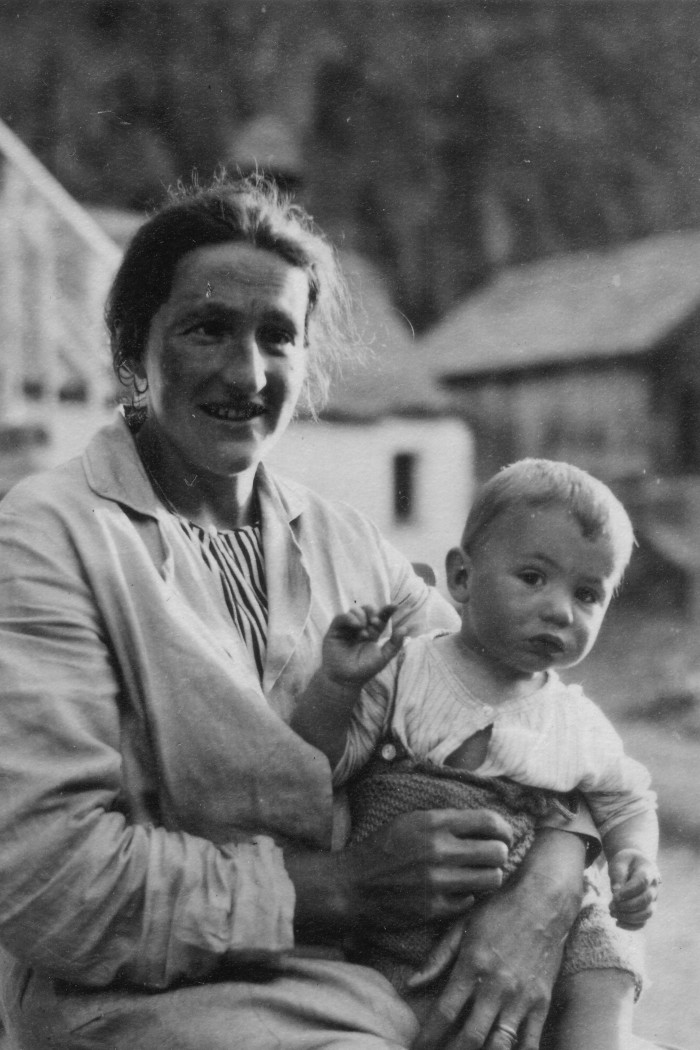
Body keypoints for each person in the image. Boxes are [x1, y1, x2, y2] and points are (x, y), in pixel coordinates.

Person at [0, 177, 608, 1050]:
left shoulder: (344, 545)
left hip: (358, 971)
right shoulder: (53, 535)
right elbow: (50, 883)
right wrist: (341, 888)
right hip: (141, 994)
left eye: (277, 337)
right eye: (208, 328)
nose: (247, 374)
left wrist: (552, 878)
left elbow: (515, 700)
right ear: (135, 352)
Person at [292, 459, 661, 1050]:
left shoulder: (576, 720)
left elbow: (628, 799)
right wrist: (335, 689)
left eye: (588, 594)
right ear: (462, 578)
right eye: (534, 577)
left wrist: (634, 860)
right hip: (407, 913)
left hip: (541, 925)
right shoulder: (407, 671)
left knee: (607, 960)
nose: (561, 610)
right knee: (378, 1008)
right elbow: (321, 766)